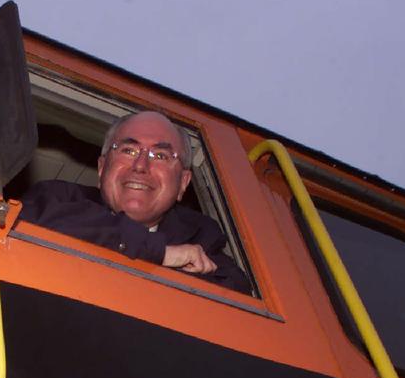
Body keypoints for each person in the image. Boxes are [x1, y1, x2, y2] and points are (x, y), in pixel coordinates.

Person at [17, 111, 250, 294]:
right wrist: (157, 252)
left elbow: (237, 296)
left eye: (160, 156)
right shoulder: (56, 201)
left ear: (183, 183)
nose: (140, 166)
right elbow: (25, 222)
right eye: (128, 150)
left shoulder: (202, 239)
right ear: (101, 168)